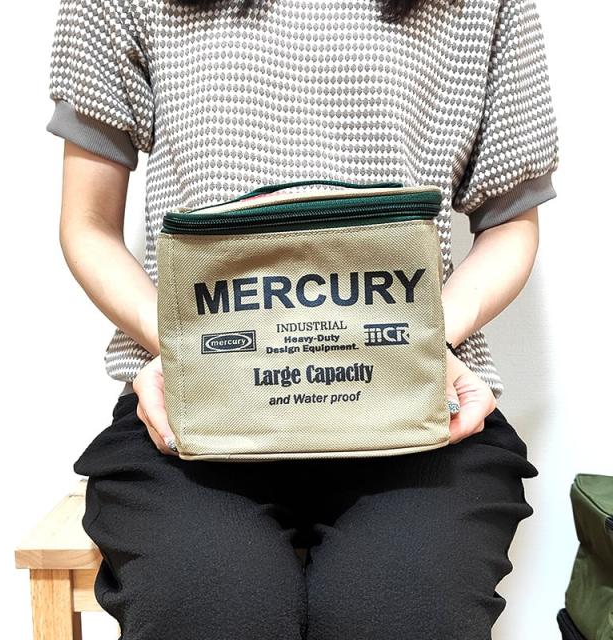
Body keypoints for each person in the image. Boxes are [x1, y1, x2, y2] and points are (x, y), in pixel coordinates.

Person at [45, 0, 558, 637]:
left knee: (402, 614)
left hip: (416, 415)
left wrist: (418, 338)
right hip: (196, 417)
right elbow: (88, 224)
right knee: (212, 609)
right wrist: (185, 347)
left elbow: (509, 223)